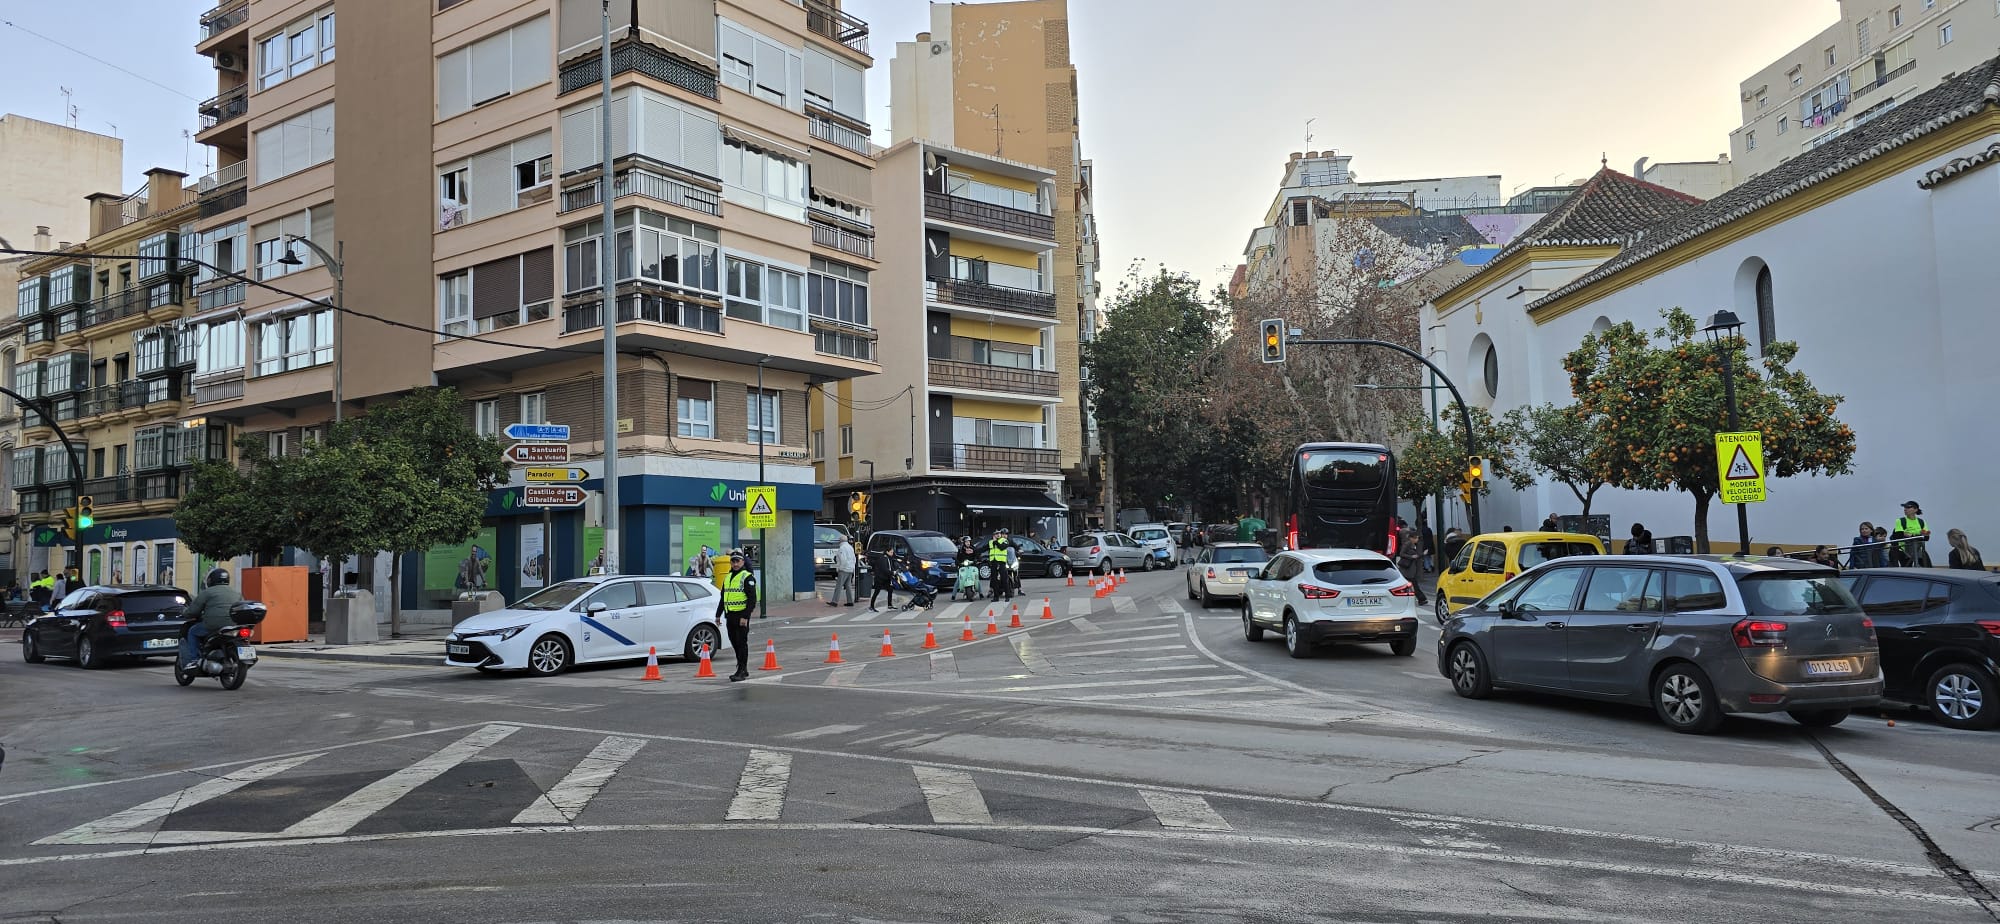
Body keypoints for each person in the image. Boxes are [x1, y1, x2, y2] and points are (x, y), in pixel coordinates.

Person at [178, 567, 242, 673]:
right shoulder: (236, 592)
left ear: (211, 580)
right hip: (233, 625)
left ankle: (194, 660)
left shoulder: (207, 592)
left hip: (213, 626)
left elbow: (193, 611)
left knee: (192, 631)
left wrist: (184, 612)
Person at [716, 551, 756, 681]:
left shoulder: (747, 577)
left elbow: (752, 599)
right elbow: (723, 598)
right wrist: (718, 614)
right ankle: (742, 667)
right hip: (730, 615)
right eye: (733, 561)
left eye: (737, 561)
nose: (735, 563)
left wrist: (745, 616)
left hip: (741, 616)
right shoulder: (728, 577)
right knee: (735, 642)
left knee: (741, 643)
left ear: (743, 562)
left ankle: (741, 670)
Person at [1394, 521, 1428, 606]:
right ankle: (1422, 599)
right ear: (1411, 538)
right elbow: (1402, 553)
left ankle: (1420, 599)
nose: (1417, 539)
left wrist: (1421, 555)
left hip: (1410, 568)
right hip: (1407, 568)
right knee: (1413, 584)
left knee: (1410, 584)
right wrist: (1411, 557)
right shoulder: (1408, 544)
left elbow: (1415, 555)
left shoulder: (1412, 544)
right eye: (1416, 538)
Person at [1893, 501, 1933, 568]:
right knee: (1907, 571)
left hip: (1918, 548)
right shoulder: (1900, 520)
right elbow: (1898, 535)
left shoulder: (1921, 521)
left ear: (1915, 509)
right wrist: (1918, 535)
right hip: (1903, 550)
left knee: (1927, 568)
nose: (1905, 509)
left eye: (1908, 507)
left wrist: (1909, 535)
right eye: (1904, 507)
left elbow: (1926, 538)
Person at [866, 543, 897, 612]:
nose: (892, 553)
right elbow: (884, 569)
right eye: (891, 552)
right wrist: (892, 573)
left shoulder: (888, 558)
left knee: (890, 589)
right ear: (887, 552)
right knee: (876, 592)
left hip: (886, 578)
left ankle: (889, 605)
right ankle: (871, 606)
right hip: (880, 578)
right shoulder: (883, 558)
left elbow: (889, 567)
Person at [826, 538, 857, 606]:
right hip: (850, 569)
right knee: (848, 586)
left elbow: (843, 559)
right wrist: (852, 567)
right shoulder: (850, 547)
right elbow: (854, 559)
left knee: (839, 586)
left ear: (840, 541)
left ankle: (834, 601)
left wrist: (840, 568)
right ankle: (850, 601)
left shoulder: (842, 548)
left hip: (844, 569)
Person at [985, 529, 1014, 601]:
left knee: (1004, 579)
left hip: (1001, 563)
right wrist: (973, 551)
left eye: (999, 534)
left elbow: (1002, 547)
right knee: (994, 580)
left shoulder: (1004, 540)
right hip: (993, 563)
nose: (997, 535)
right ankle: (996, 597)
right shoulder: (991, 542)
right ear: (993, 535)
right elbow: (983, 548)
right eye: (996, 534)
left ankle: (1007, 596)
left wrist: (996, 542)